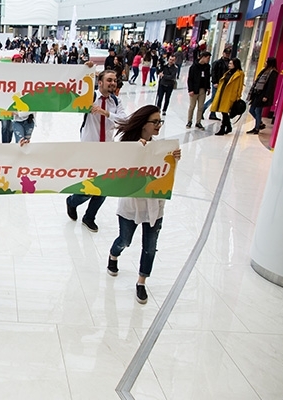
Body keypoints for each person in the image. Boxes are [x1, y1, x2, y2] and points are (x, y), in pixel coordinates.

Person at [106, 104, 181, 304]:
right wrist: (135, 152)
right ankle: (113, 255)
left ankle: (141, 282)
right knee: (125, 240)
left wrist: (173, 159)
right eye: (155, 122)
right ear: (143, 124)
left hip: (155, 207)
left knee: (150, 247)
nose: (158, 125)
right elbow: (116, 170)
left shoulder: (160, 149)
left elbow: (164, 174)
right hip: (130, 206)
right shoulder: (127, 146)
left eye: (160, 122)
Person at [66, 69, 126, 232]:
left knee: (104, 187)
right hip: (89, 150)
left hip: (107, 150)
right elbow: (73, 92)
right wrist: (85, 69)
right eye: (109, 80)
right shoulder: (90, 97)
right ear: (100, 82)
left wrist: (106, 113)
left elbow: (124, 120)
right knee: (88, 188)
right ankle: (72, 201)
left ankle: (89, 217)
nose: (113, 83)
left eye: (114, 80)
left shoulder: (116, 101)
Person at [211, 58, 244, 136]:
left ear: (235, 64)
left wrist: (238, 96)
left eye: (231, 63)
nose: (229, 65)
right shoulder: (228, 72)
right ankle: (228, 127)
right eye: (229, 63)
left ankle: (223, 128)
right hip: (223, 94)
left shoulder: (240, 74)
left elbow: (240, 86)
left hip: (231, 96)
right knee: (224, 112)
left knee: (225, 112)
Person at [246, 57, 278, 134]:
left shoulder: (273, 72)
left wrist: (266, 96)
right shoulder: (265, 70)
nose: (265, 63)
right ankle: (259, 123)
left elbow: (271, 86)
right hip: (257, 93)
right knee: (252, 110)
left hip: (263, 94)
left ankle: (257, 128)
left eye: (266, 61)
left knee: (258, 111)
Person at [186, 51, 212, 130]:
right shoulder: (194, 67)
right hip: (194, 89)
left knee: (200, 106)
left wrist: (208, 87)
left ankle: (198, 122)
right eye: (207, 58)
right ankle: (189, 121)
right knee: (192, 106)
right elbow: (190, 79)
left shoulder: (207, 67)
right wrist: (190, 89)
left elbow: (207, 78)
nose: (208, 60)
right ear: (203, 57)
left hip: (202, 89)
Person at [203, 49, 231, 121]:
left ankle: (212, 113)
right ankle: (202, 110)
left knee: (217, 99)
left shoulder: (230, 63)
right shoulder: (217, 63)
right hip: (217, 83)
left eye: (228, 53)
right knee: (214, 98)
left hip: (225, 84)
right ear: (223, 53)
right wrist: (215, 82)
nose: (227, 55)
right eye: (226, 53)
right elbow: (213, 73)